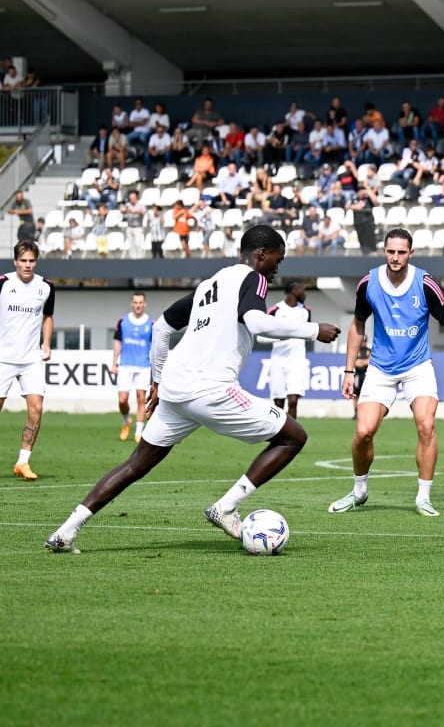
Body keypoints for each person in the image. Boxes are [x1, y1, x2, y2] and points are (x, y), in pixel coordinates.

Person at [45, 226, 341, 554]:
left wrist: (156, 381)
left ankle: (65, 531)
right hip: (212, 390)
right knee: (294, 437)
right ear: (260, 254)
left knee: (134, 465)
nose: (277, 268)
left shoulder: (208, 286)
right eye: (276, 259)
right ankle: (226, 507)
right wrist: (313, 329)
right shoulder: (252, 279)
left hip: (175, 390)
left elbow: (161, 328)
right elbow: (256, 322)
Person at [329, 228, 444, 517]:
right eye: (391, 251)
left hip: (418, 367)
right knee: (364, 431)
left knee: (426, 425)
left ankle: (423, 497)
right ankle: (359, 490)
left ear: (411, 253)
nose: (395, 257)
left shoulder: (425, 283)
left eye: (401, 252)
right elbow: (357, 325)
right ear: (384, 251)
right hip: (380, 367)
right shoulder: (368, 283)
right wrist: (349, 370)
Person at [0, 241, 55, 481]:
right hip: (3, 357)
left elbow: (48, 316)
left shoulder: (46, 287)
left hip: (31, 358)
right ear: (15, 261)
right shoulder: (2, 283)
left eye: (31, 261)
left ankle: (23, 461)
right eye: (23, 261)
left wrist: (47, 343)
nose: (28, 265)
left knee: (37, 408)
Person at [266, 281, 312, 420]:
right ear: (294, 290)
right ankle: (280, 432)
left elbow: (308, 333)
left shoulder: (305, 311)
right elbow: (263, 335)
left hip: (297, 361)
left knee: (293, 400)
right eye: (302, 290)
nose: (305, 293)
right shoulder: (275, 310)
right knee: (279, 402)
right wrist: (281, 338)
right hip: (278, 361)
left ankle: (292, 435)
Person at [112, 292, 153, 443]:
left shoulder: (151, 323)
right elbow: (118, 342)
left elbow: (155, 346)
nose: (138, 305)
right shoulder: (123, 321)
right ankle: (126, 420)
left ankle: (139, 432)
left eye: (140, 302)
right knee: (122, 400)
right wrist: (114, 363)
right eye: (135, 302)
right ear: (132, 303)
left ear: (145, 304)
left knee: (141, 398)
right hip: (125, 365)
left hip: (143, 365)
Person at [351, 334, 371, 418]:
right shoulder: (356, 351)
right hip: (358, 375)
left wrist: (361, 362)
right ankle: (356, 412)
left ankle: (367, 412)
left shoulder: (369, 351)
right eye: (361, 341)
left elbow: (371, 361)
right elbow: (354, 363)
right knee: (356, 394)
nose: (363, 343)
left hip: (367, 375)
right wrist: (364, 362)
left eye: (364, 341)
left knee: (368, 394)